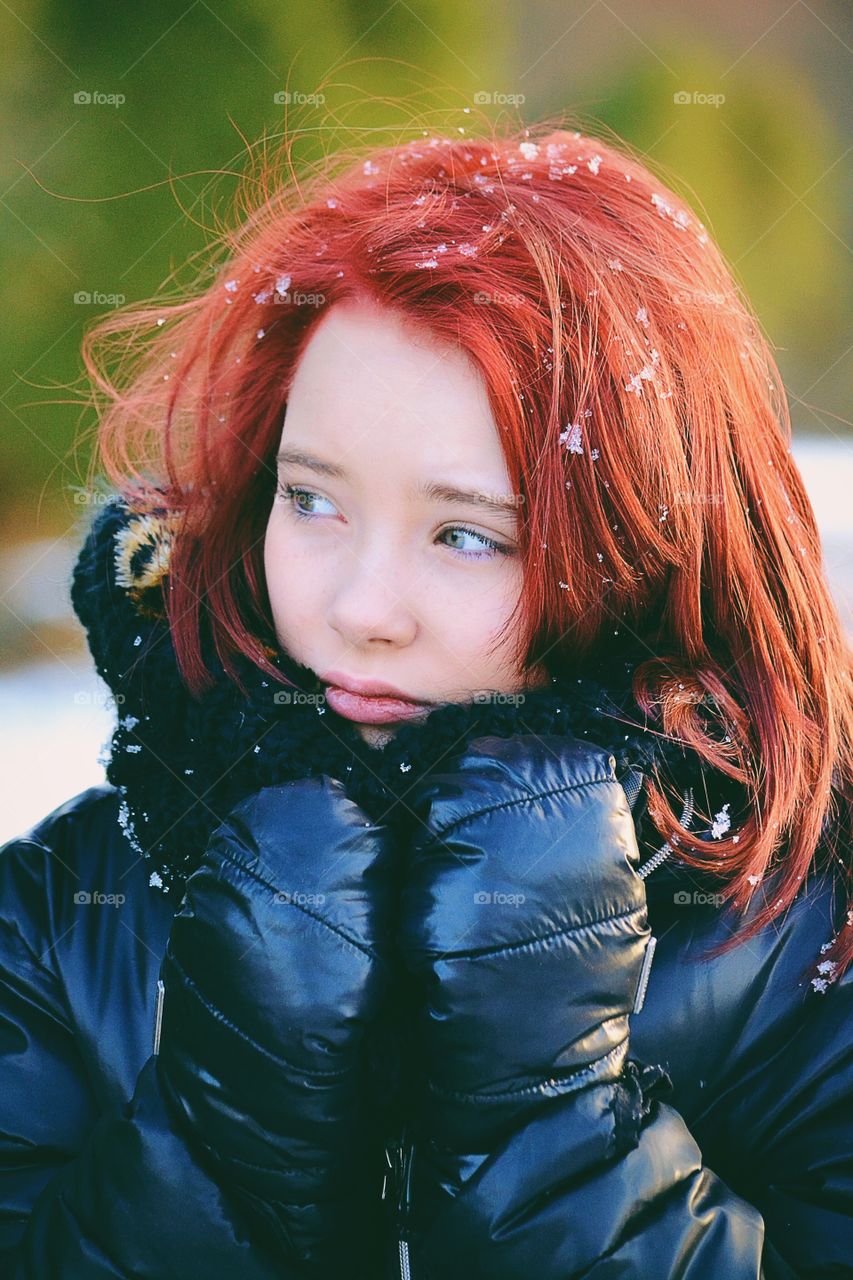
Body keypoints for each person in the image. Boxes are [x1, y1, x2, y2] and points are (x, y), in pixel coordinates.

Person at [1, 120, 851, 1278]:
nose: (361, 605)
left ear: (646, 547)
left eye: (464, 533)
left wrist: (545, 1128)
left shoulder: (805, 957)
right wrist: (225, 1125)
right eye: (312, 501)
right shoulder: (64, 920)